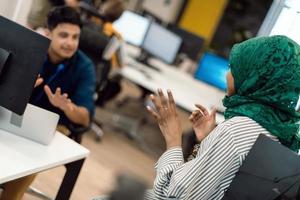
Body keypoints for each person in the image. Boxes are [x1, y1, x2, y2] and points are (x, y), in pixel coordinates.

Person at [141, 35, 300, 199]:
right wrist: (208, 141)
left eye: (234, 67)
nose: (228, 74)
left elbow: (170, 195)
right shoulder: (285, 133)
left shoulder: (236, 130)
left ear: (254, 76)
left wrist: (173, 139)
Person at [30, 6, 96, 131]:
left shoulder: (85, 67)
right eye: (63, 35)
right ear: (48, 33)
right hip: (17, 118)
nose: (70, 43)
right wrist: (19, 88)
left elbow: (85, 119)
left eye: (75, 37)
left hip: (53, 129)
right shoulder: (30, 51)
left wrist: (67, 107)